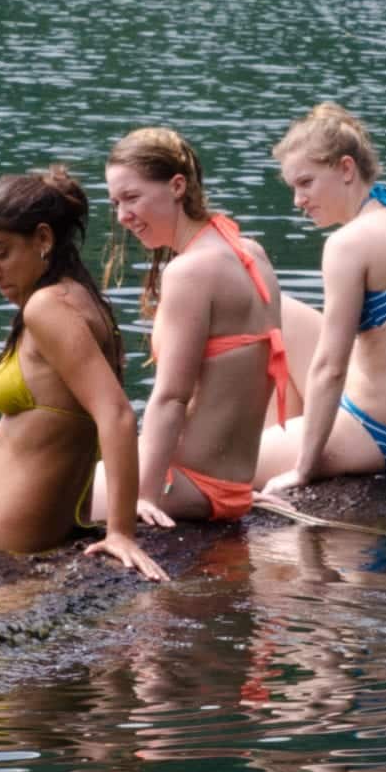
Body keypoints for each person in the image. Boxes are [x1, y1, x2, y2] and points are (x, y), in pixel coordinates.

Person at [0, 167, 163, 579]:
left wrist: (121, 533)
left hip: (2, 542)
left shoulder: (49, 307)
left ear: (44, 239)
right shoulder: (78, 296)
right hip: (5, 534)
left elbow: (116, 413)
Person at [256, 104, 386, 490]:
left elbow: (330, 366)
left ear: (346, 169)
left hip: (379, 436)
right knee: (270, 307)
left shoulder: (348, 244)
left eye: (306, 183)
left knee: (221, 467)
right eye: (293, 187)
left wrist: (304, 468)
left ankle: (280, 441)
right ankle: (280, 430)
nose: (297, 201)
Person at [97, 128, 290, 526]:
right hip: (233, 487)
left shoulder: (190, 271)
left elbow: (171, 397)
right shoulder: (247, 250)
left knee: (38, 493)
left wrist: (144, 497)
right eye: (115, 202)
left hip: (186, 488)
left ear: (177, 186)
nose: (122, 215)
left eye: (132, 198)